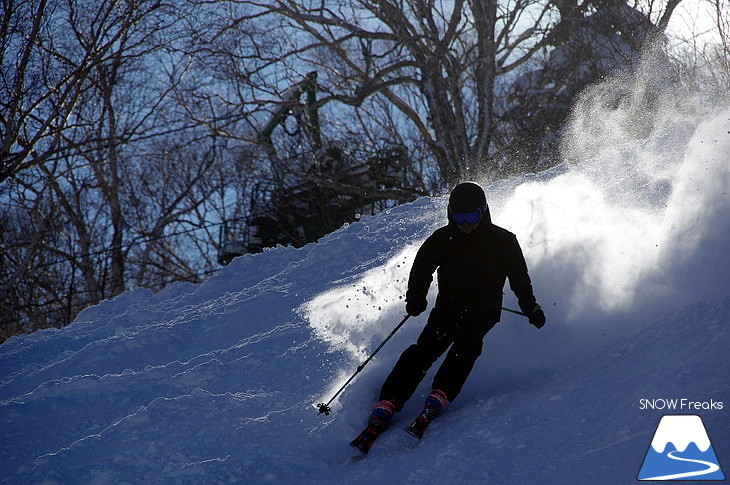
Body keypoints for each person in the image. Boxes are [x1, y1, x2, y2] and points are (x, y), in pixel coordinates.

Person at [367, 181, 546, 436]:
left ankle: (441, 392)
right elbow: (421, 269)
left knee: (468, 344)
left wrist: (531, 307)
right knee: (425, 348)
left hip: (485, 308)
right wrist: (416, 295)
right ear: (451, 214)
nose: (466, 224)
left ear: (483, 212)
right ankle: (390, 399)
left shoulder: (503, 241)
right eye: (459, 217)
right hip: (449, 305)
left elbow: (520, 279)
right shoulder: (442, 239)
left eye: (472, 216)